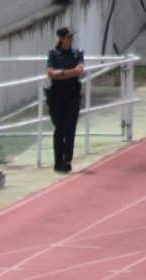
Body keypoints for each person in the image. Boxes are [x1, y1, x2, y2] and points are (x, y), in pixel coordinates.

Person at [46, 26, 85, 173]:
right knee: (59, 129)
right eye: (68, 37)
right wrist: (70, 72)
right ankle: (58, 161)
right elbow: (51, 73)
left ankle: (67, 159)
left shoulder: (77, 53)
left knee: (70, 128)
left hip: (72, 94)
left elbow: (79, 70)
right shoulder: (54, 54)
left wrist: (62, 73)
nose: (71, 39)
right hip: (57, 95)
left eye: (71, 36)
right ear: (62, 39)